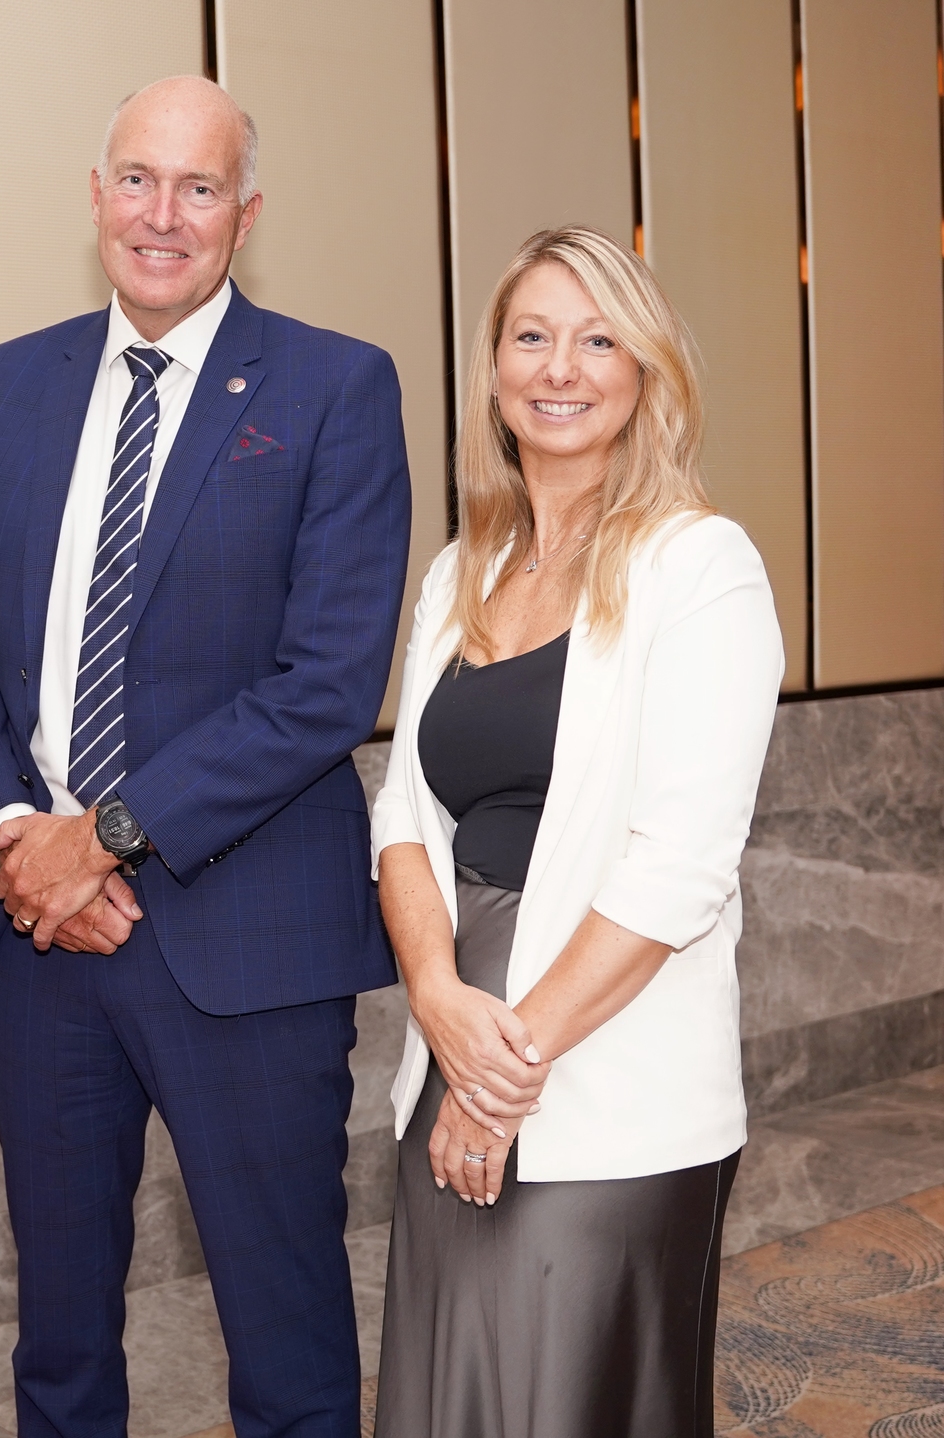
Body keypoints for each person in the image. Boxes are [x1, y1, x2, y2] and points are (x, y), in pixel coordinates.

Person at [0, 76, 412, 1436]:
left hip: (245, 945)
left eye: (199, 189)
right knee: (59, 1343)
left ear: (245, 215)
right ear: (95, 198)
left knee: (287, 1339)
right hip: (44, 947)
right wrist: (21, 834)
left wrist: (106, 834)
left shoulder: (336, 387)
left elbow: (327, 684)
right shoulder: (10, 386)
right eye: (137, 179)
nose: (162, 215)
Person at [369, 226, 784, 1437]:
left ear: (644, 370)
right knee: (454, 1399)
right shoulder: (460, 570)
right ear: (494, 369)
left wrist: (499, 1076)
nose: (561, 367)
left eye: (598, 338)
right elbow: (403, 810)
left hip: (604, 1073)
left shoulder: (698, 566)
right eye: (531, 335)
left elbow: (682, 861)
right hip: (451, 1050)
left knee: (569, 1401)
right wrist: (441, 1003)